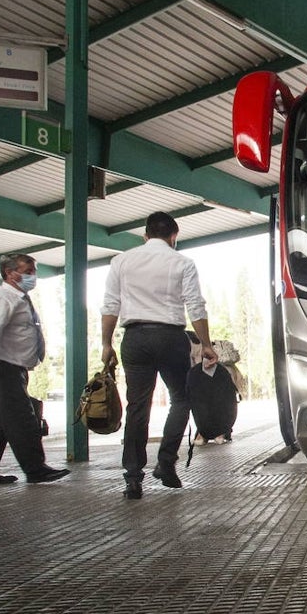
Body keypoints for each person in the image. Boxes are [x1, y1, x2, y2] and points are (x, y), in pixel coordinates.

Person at [101, 212, 217, 500]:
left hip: (135, 338)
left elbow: (110, 306)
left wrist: (106, 343)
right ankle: (166, 462)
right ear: (173, 237)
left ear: (145, 235)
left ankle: (133, 478)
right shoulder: (182, 262)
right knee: (182, 399)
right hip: (170, 337)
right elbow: (196, 306)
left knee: (137, 407)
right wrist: (206, 344)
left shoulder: (121, 261)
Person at [0, 253, 71, 486]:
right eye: (28, 271)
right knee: (23, 418)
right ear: (10, 273)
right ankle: (36, 469)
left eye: (34, 271)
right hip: (0, 368)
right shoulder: (1, 298)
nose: (33, 276)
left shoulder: (20, 299)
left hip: (13, 368)